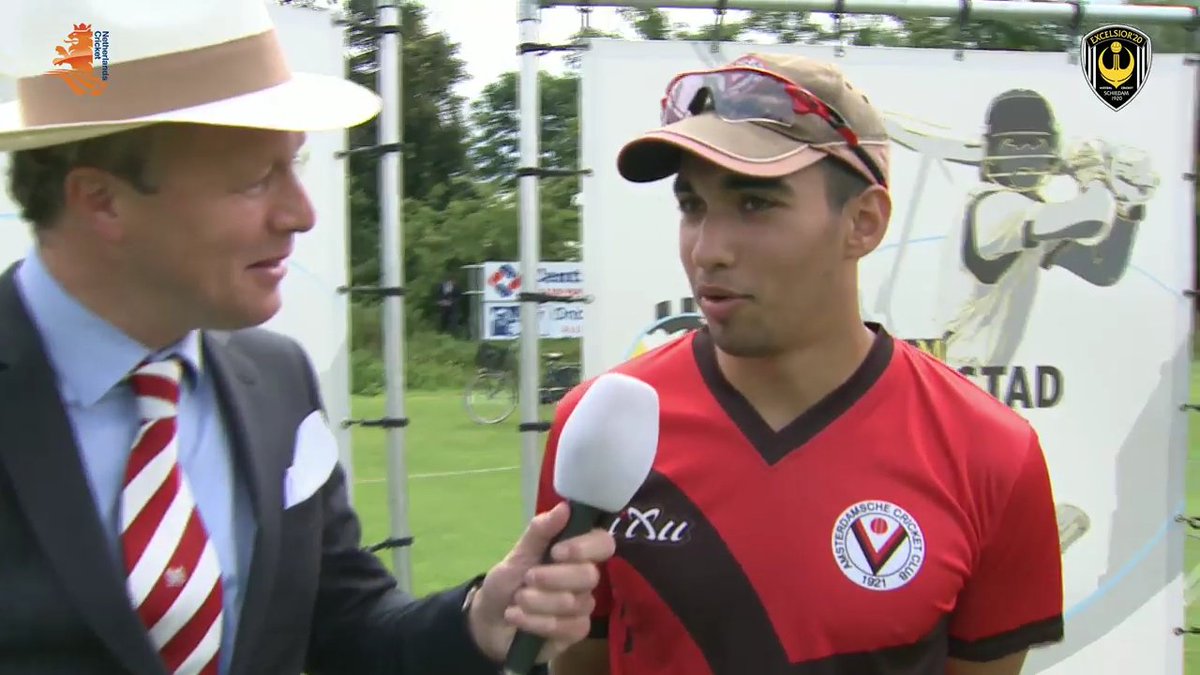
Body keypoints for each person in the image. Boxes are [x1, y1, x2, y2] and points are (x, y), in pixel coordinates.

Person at [0, 1, 612, 674]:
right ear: (100, 200)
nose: (301, 212)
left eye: (293, 165)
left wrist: (478, 619)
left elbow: (345, 624)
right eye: (257, 179)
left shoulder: (276, 380)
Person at [536, 52, 1065, 675]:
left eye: (755, 204)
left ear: (863, 223)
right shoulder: (604, 426)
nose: (708, 250)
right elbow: (579, 660)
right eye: (692, 206)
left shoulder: (992, 454)